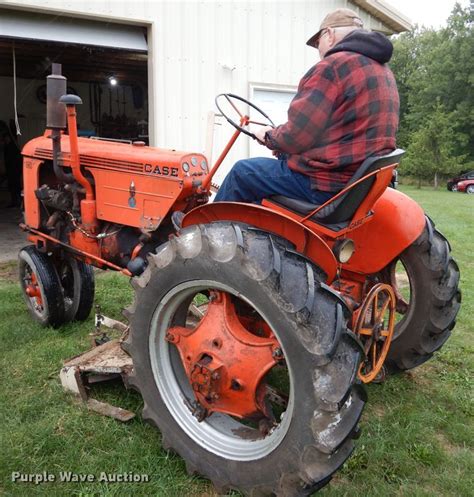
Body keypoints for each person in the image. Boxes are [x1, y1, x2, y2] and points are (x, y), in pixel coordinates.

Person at [214, 8, 400, 205]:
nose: (319, 51)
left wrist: (269, 136)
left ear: (328, 34)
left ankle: (205, 230)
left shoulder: (332, 67)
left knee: (242, 172)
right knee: (278, 163)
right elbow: (334, 134)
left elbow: (297, 135)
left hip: (326, 185)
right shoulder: (383, 71)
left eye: (317, 43)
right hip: (358, 186)